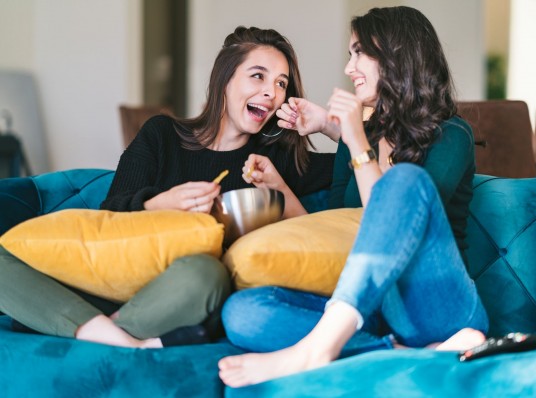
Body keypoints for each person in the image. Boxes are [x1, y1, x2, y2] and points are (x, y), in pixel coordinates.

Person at [0, 26, 333, 349]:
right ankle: (126, 340)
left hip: (179, 293)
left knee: (208, 274)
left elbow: (369, 166)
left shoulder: (276, 159)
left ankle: (81, 326)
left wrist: (328, 127)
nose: (271, 92)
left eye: (281, 83)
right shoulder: (161, 134)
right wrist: (161, 204)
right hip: (111, 276)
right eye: (258, 76)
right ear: (225, 79)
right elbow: (110, 215)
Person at [218, 6, 489, 387]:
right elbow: (337, 228)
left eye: (360, 52)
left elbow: (396, 222)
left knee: (405, 181)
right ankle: (399, 353)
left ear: (397, 56)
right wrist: (280, 187)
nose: (350, 68)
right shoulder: (355, 135)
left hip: (436, 305)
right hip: (371, 313)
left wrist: (352, 136)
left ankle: (319, 349)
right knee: (242, 312)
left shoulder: (451, 135)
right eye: (350, 54)